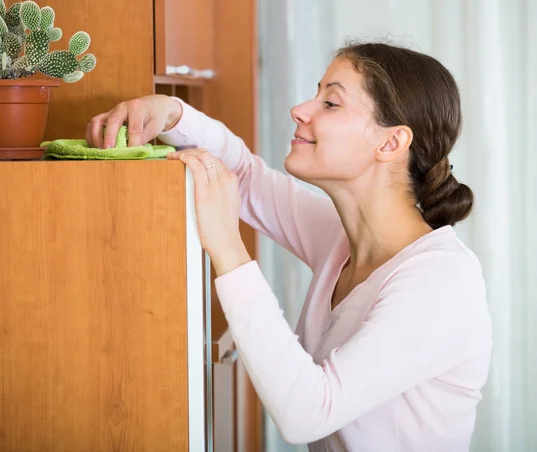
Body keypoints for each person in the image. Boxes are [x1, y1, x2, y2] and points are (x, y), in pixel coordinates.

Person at [86, 42, 492, 452]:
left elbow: (308, 412)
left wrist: (227, 248)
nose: (301, 109)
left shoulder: (441, 280)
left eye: (330, 102)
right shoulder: (343, 240)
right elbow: (244, 176)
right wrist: (172, 112)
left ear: (390, 144)